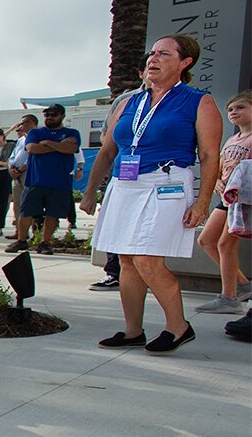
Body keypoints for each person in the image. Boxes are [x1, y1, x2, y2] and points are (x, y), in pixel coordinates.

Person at [82, 34, 220, 354]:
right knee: (127, 259)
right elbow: (107, 151)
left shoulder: (199, 101)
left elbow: (211, 156)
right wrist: (90, 192)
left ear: (185, 63)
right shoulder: (132, 102)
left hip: (165, 183)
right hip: (124, 184)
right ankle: (133, 331)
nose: (153, 59)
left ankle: (178, 326)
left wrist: (202, 203)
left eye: (164, 54)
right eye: (152, 53)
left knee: (147, 258)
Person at [195, 91, 252, 314]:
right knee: (206, 240)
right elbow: (220, 166)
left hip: (244, 200)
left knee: (225, 244)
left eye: (241, 108)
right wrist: (218, 181)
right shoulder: (232, 139)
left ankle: (229, 298)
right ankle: (243, 285)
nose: (234, 112)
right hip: (227, 199)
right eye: (230, 109)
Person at [7, 104, 80, 255]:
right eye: (47, 115)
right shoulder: (36, 133)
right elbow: (32, 149)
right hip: (35, 180)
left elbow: (71, 149)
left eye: (54, 114)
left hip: (60, 182)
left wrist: (46, 144)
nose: (50, 117)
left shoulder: (72, 132)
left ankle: (45, 243)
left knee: (53, 214)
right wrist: (60, 146)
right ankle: (21, 241)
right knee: (26, 212)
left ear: (62, 116)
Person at [5, 114, 37, 241]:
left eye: (24, 123)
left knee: (31, 204)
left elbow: (33, 156)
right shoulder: (20, 140)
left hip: (28, 173)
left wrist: (22, 168)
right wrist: (11, 168)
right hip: (16, 174)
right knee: (17, 204)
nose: (21, 125)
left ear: (33, 123)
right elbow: (13, 156)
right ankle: (19, 232)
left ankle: (35, 232)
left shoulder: (36, 138)